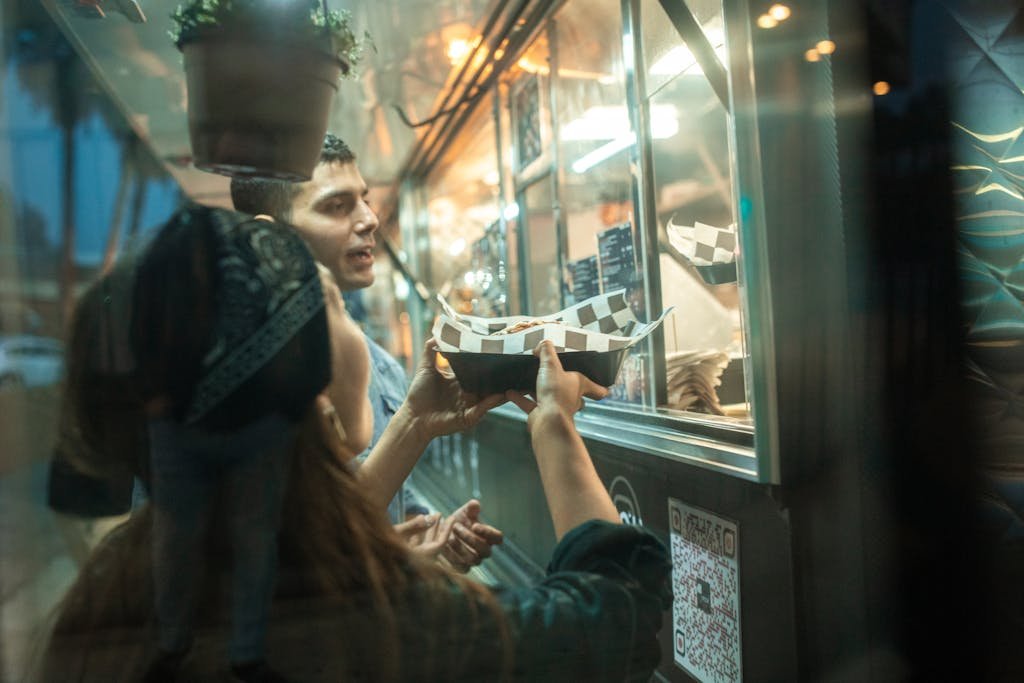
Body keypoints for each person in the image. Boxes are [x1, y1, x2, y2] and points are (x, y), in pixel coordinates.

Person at [38, 272, 672, 681]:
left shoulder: (141, 569)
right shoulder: (361, 626)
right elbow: (618, 616)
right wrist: (554, 423)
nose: (361, 333)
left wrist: (415, 427)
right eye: (337, 306)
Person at [231, 134, 504, 571]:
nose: (370, 219)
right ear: (270, 233)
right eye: (336, 206)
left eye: (365, 199)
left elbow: (391, 509)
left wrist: (424, 540)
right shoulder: (228, 376)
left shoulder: (383, 368)